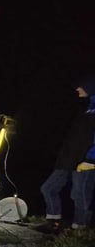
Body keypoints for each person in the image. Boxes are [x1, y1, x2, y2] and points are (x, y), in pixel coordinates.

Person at [38, 78, 95, 232]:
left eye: (81, 86)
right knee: (48, 188)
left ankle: (80, 230)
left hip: (85, 161)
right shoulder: (84, 107)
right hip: (67, 159)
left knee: (80, 195)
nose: (77, 90)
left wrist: (91, 159)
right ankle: (53, 221)